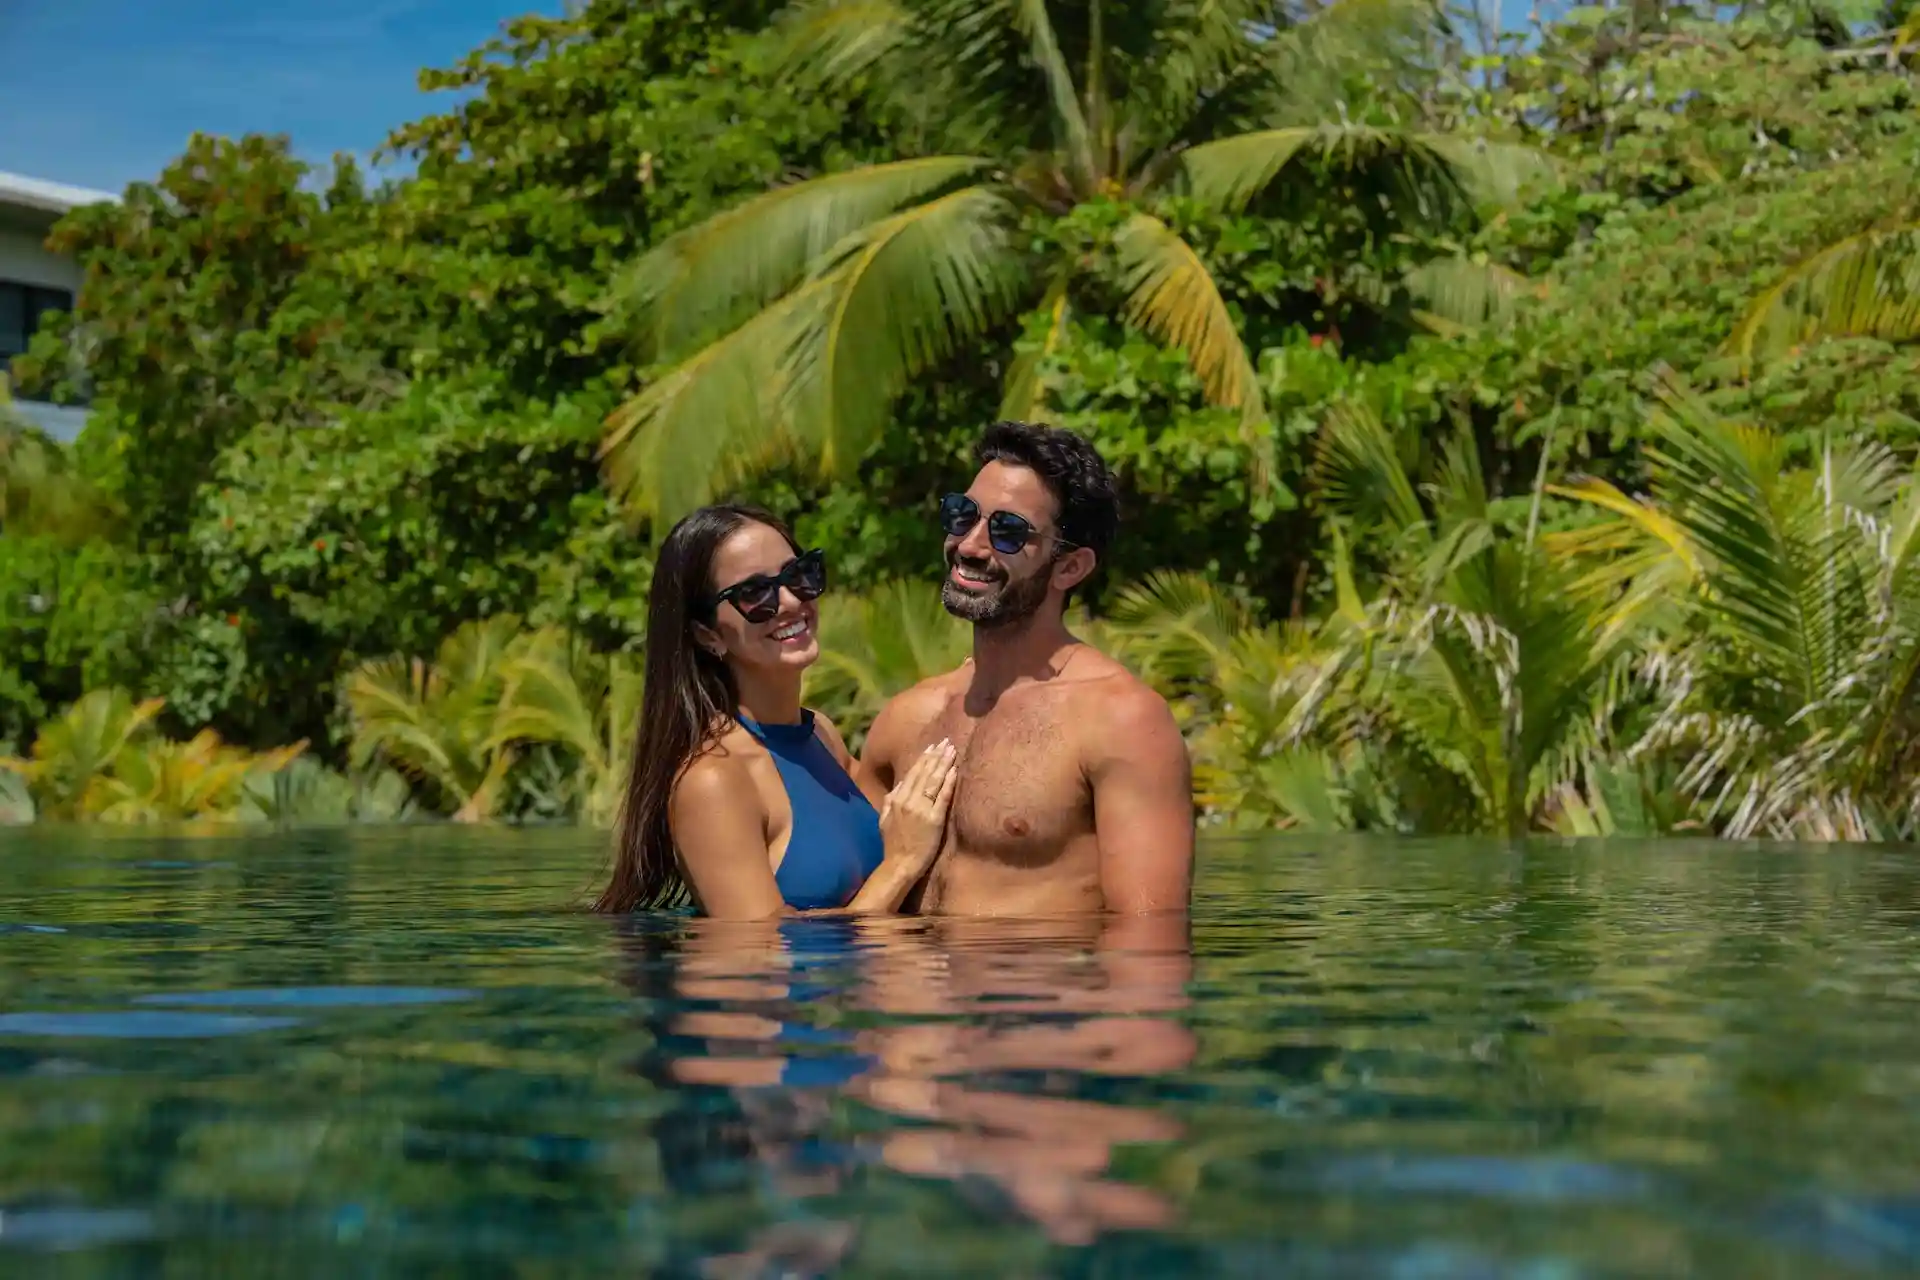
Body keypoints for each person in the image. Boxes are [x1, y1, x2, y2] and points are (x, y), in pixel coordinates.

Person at [860, 422, 1195, 917]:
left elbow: (1149, 948)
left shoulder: (1122, 721)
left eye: (1009, 531)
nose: (970, 546)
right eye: (962, 514)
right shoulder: (904, 720)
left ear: (1070, 568)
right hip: (910, 991)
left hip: (1034, 991)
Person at [594, 503, 958, 918]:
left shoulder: (819, 733)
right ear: (707, 634)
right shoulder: (714, 780)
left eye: (798, 576)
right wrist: (900, 866)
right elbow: (759, 948)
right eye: (754, 594)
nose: (789, 601)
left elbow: (903, 805)